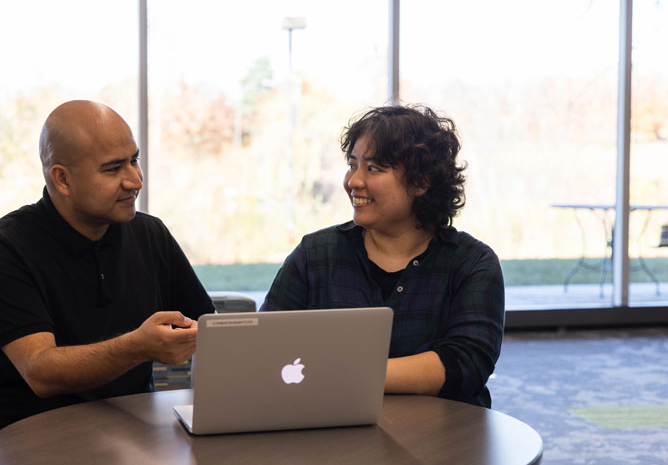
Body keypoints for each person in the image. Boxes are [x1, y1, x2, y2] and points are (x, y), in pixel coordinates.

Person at [262, 105, 504, 408]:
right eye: (352, 165)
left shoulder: (472, 263)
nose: (353, 181)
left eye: (373, 168)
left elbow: (466, 363)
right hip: (331, 433)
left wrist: (337, 374)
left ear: (421, 181)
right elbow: (267, 347)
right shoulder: (315, 254)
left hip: (444, 440)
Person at [0, 100, 213, 428]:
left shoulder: (149, 233)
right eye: (113, 169)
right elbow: (40, 371)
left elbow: (210, 329)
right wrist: (137, 347)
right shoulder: (10, 246)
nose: (136, 180)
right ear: (63, 180)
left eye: (134, 160)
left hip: (138, 431)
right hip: (35, 437)